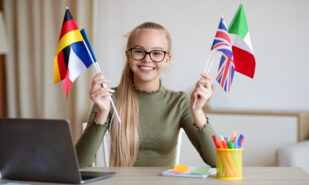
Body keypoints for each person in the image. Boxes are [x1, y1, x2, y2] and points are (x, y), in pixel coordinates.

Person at [76, 22, 217, 168]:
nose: (147, 59)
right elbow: (79, 164)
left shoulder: (179, 102)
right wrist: (102, 114)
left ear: (167, 59)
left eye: (156, 53)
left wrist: (198, 111)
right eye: (139, 51)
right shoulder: (109, 99)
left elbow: (218, 162)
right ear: (128, 55)